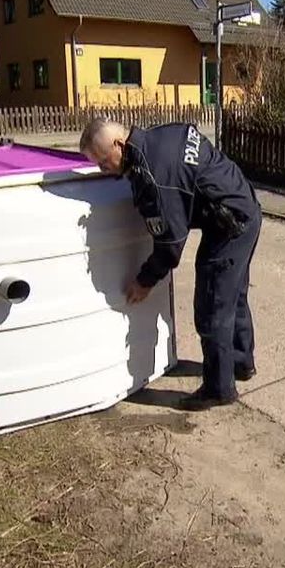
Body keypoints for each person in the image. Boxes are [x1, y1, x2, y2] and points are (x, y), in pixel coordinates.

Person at [80, 118, 262, 411]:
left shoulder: (154, 176)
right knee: (233, 294)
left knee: (213, 305)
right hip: (245, 205)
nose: (103, 170)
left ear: (118, 144)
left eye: (102, 162)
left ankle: (219, 388)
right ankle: (240, 362)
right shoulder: (159, 136)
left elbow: (170, 246)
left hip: (230, 224)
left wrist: (144, 281)